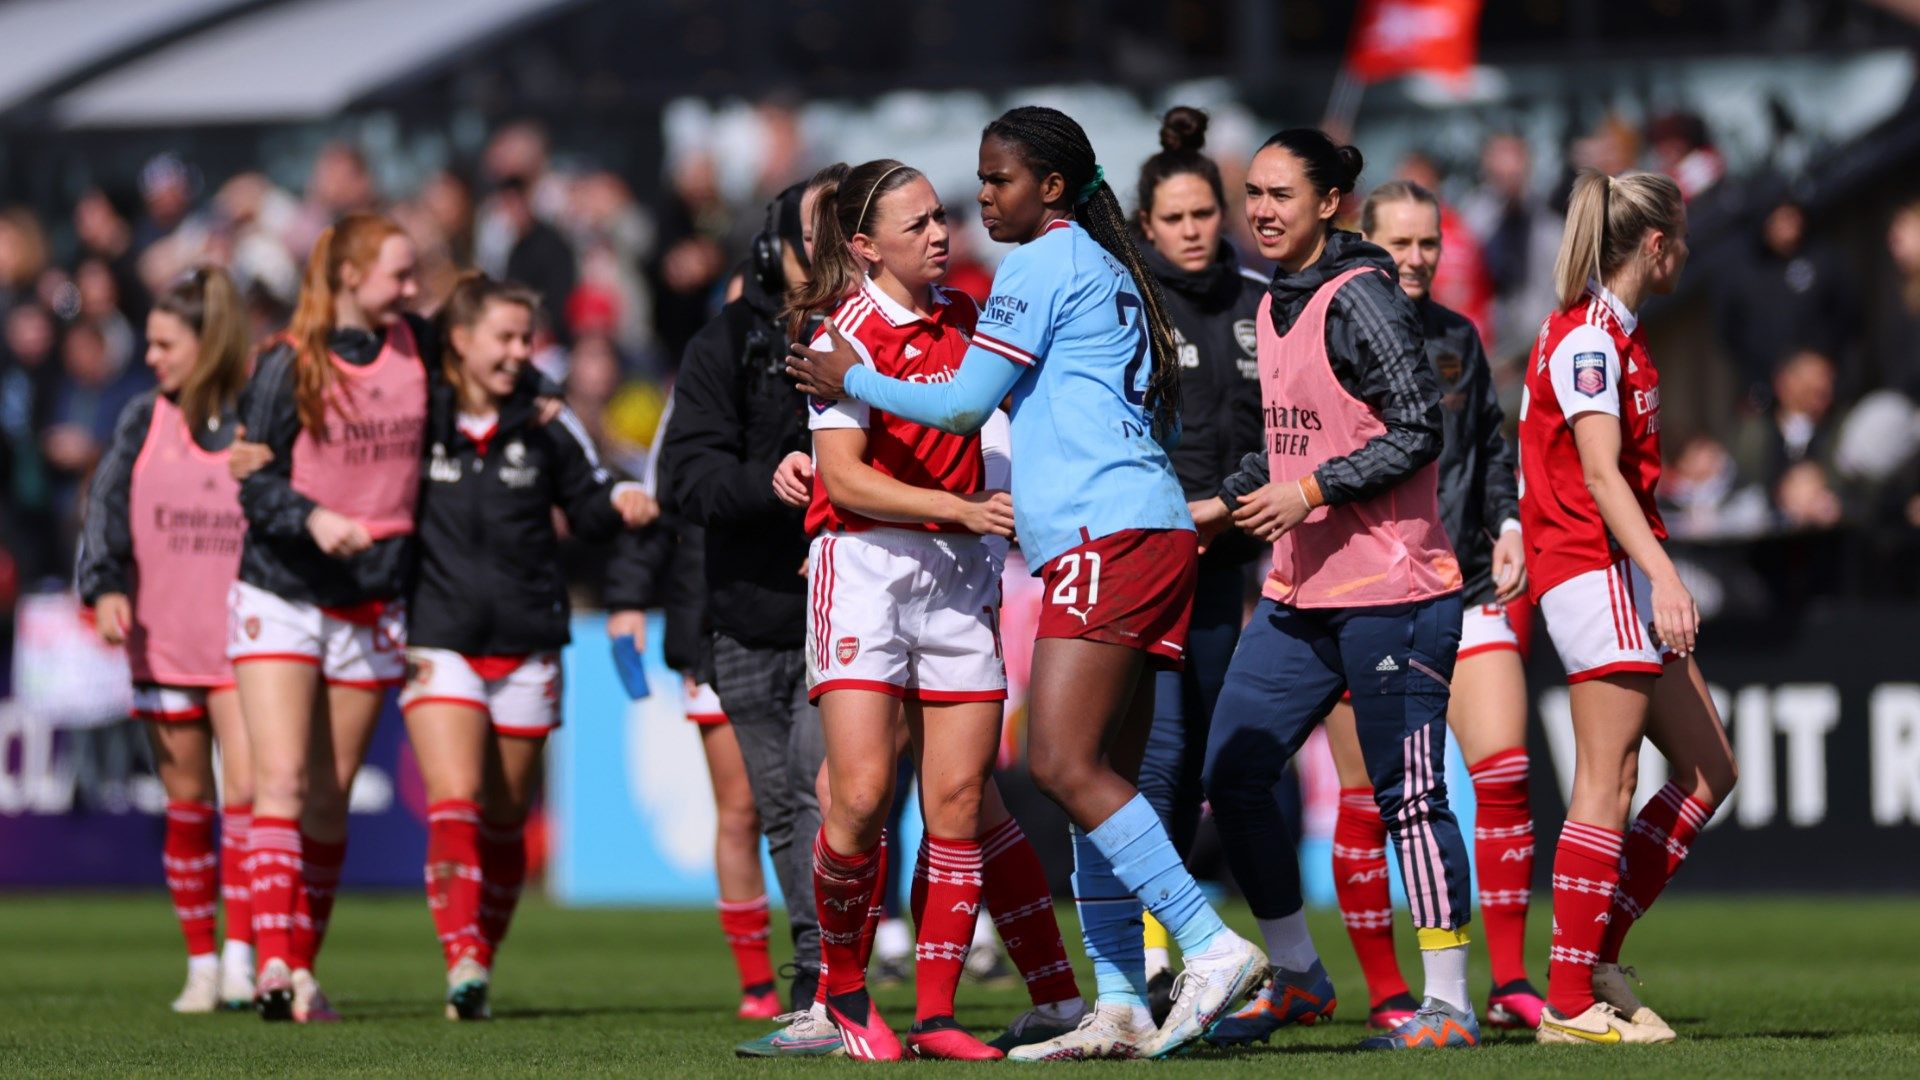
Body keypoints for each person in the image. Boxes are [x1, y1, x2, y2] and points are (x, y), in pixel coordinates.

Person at [789, 105, 1266, 1062]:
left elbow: (964, 404)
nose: (977, 203)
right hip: (1148, 527)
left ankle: (1209, 944)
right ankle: (1123, 1000)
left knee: (1059, 766)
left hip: (1104, 535)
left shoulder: (1040, 262)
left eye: (994, 180)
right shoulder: (1108, 268)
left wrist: (858, 375)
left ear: (1049, 186)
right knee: (1102, 779)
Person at [787, 158, 1096, 1061]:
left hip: (964, 574)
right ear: (864, 245)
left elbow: (998, 444)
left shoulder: (973, 317)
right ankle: (844, 991)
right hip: (867, 567)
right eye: (916, 223)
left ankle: (934, 1016)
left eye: (941, 218)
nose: (939, 234)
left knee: (959, 797)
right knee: (862, 794)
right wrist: (965, 509)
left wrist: (1009, 512)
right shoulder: (838, 332)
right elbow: (844, 477)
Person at [1187, 130, 1478, 1052]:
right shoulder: (1276, 301)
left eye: (1280, 194)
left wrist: (1304, 493)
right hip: (1302, 591)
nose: (1261, 209)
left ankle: (1450, 1006)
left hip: (1393, 587)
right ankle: (1298, 976)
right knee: (1233, 775)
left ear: (1329, 205)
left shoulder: (1364, 298)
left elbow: (1418, 431)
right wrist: (1213, 506)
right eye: (1254, 193)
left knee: (1410, 794)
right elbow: (1291, 443)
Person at [1309, 180, 1542, 1033]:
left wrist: (1507, 521)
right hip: (1355, 595)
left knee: (1506, 777)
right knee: (1369, 798)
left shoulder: (1458, 338)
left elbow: (1488, 444)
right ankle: (1386, 994)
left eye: (1427, 244)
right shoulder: (1326, 335)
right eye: (1397, 243)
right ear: (1364, 242)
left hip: (1464, 583)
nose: (1413, 259)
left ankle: (1512, 984)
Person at [396, 272, 657, 1019]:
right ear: (461, 340)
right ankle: (462, 962)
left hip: (528, 638)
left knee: (508, 818)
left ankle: (483, 954)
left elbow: (589, 493)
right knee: (457, 799)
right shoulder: (419, 414)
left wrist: (617, 501)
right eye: (504, 338)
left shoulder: (546, 419)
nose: (519, 353)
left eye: (524, 338)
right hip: (437, 634)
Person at [1518, 169, 1737, 1045]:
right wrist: (1667, 577)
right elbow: (1599, 474)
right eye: (1678, 237)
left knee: (1708, 770)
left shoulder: (1612, 336)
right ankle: (1569, 1004)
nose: (1684, 251)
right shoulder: (1589, 340)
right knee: (1604, 784)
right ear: (1654, 246)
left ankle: (1590, 959)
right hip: (1594, 570)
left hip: (1615, 570)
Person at [229, 212, 428, 1022]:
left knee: (329, 795)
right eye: (398, 275)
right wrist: (312, 517)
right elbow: (254, 480)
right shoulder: (287, 362)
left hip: (370, 597)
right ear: (348, 276)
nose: (413, 290)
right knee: (277, 778)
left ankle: (300, 969)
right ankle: (272, 967)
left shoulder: (420, 349)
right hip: (281, 589)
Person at [662, 175, 839, 1058]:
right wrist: (768, 482)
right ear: (777, 245)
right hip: (744, 613)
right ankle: (819, 972)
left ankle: (831, 978)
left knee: (826, 793)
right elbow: (682, 480)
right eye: (822, 228)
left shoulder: (887, 335)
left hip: (848, 607)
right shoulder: (725, 342)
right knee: (779, 808)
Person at [76, 267, 257, 1013]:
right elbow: (104, 511)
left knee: (248, 796)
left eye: (164, 343)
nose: (150, 357)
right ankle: (200, 963)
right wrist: (106, 586)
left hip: (246, 645)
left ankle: (244, 956)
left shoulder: (259, 423)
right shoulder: (140, 419)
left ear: (207, 343)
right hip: (165, 639)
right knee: (189, 805)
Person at [1123, 105, 1268, 1020]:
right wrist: (1178, 515)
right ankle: (1149, 955)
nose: (1189, 231)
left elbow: (1285, 429)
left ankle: (1267, 957)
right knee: (1161, 758)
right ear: (1146, 225)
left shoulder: (1261, 301)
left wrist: (1231, 505)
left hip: (1232, 560)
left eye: (1202, 215)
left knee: (1222, 760)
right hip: (1151, 558)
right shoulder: (1127, 308)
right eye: (1172, 219)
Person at [606, 390, 783, 1023]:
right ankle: (759, 982)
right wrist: (627, 598)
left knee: (826, 808)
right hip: (712, 627)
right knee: (740, 812)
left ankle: (833, 971)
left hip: (813, 623)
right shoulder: (702, 388)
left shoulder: (826, 369)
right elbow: (655, 510)